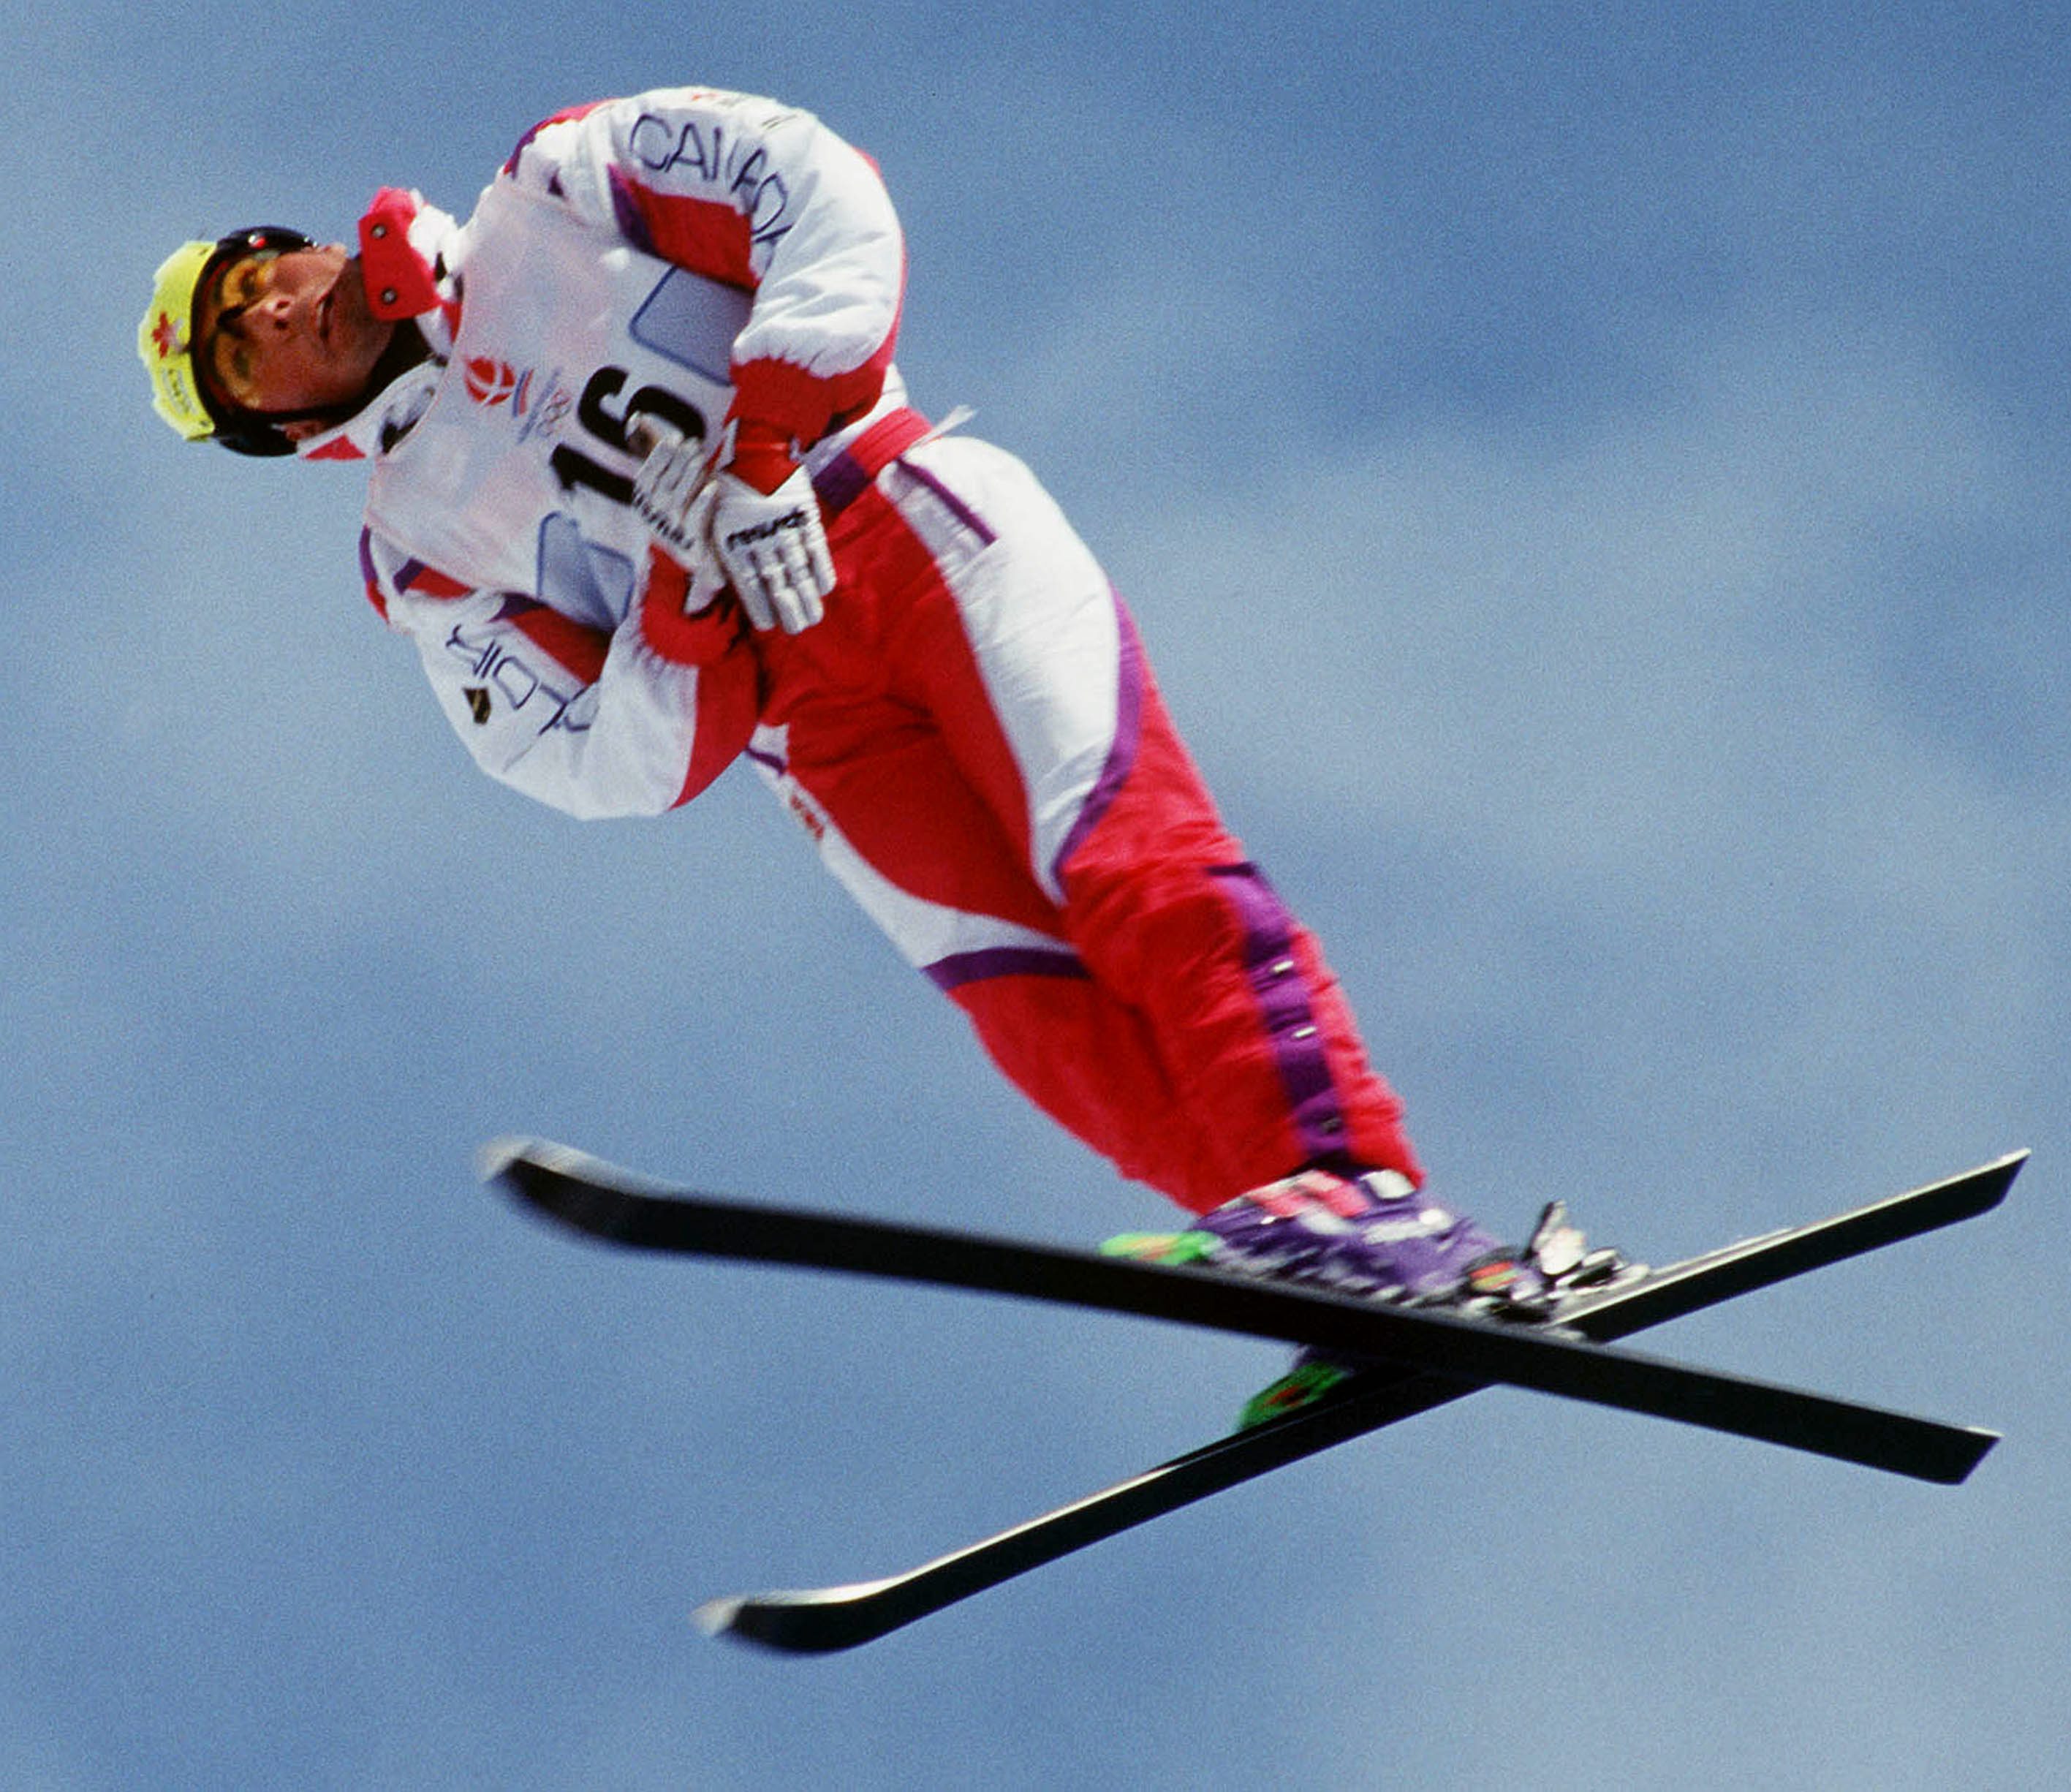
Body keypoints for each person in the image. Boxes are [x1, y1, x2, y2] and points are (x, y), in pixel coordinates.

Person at [140, 86, 1624, 1418]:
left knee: (1123, 856)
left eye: (259, 281)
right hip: (803, 718)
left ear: (305, 249)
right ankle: (1319, 1262)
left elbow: (811, 186)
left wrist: (773, 430)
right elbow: (587, 760)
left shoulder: (557, 184)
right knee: (1035, 1010)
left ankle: (1362, 1193)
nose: (268, 318)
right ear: (275, 430)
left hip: (904, 527)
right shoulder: (414, 542)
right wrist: (685, 592)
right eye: (236, 357)